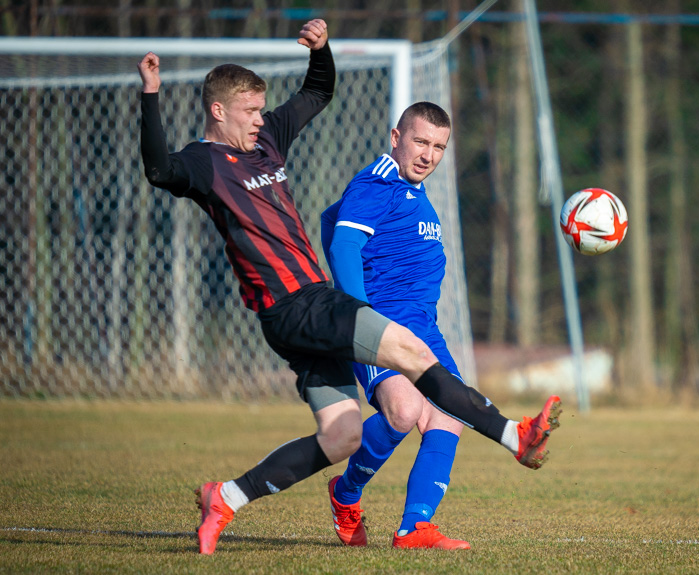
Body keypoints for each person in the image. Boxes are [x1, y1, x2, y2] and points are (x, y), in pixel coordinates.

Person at [137, 19, 561, 556]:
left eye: (262, 109)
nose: (260, 119)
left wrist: (321, 50)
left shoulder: (266, 142)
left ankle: (224, 498)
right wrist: (151, 96)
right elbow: (157, 169)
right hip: (299, 304)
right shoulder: (203, 163)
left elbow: (318, 91)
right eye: (249, 111)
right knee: (412, 356)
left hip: (298, 317)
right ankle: (513, 437)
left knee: (343, 437)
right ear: (218, 111)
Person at [320, 102, 480, 550]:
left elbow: (329, 219)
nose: (428, 154)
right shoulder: (379, 181)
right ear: (396, 137)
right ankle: (345, 493)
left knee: (449, 415)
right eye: (420, 141)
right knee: (404, 412)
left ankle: (415, 529)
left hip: (423, 330)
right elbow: (346, 243)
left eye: (438, 147)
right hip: (381, 327)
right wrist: (359, 313)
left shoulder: (412, 190)